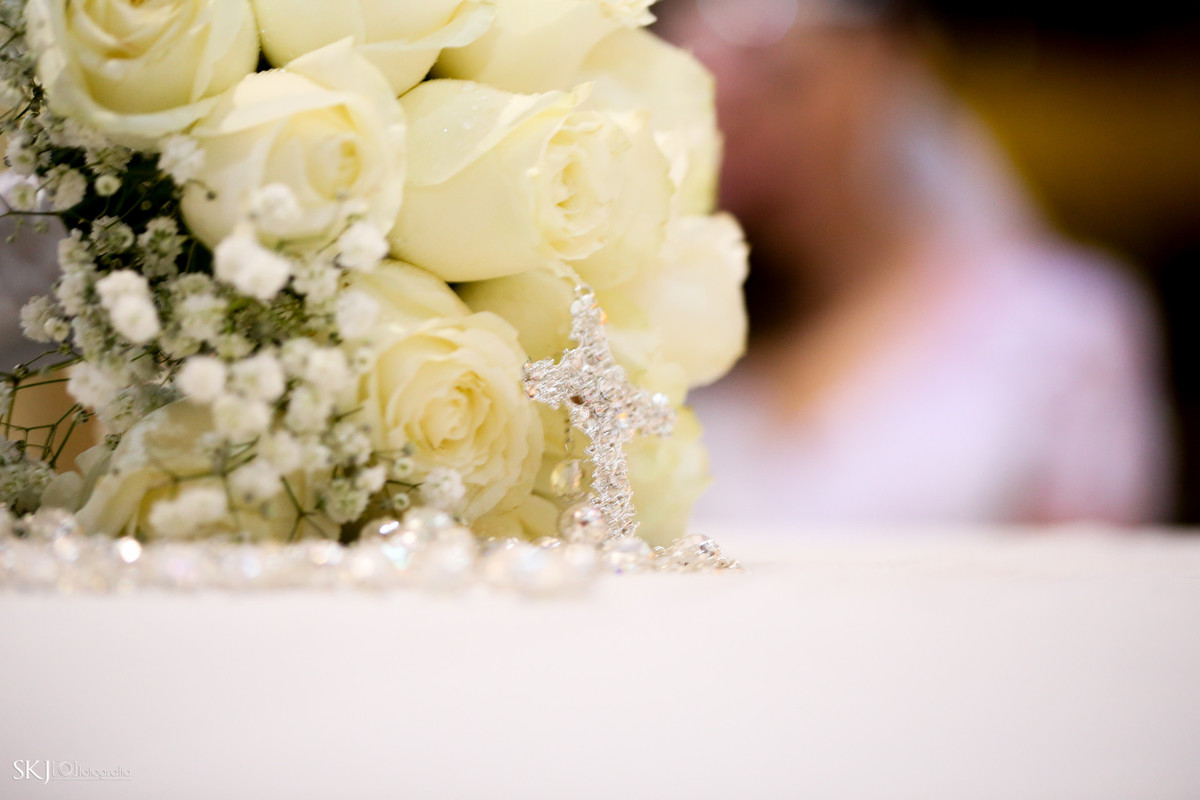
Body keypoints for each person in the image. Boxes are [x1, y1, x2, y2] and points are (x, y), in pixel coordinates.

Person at [659, 0, 1173, 526]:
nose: (741, 134)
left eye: (784, 84)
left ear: (890, 62)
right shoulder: (660, 325)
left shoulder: (1061, 322)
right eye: (709, 102)